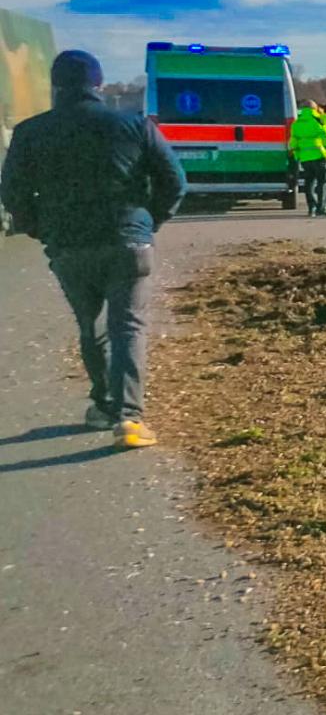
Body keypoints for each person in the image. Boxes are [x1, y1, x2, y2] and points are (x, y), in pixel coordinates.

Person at [0, 50, 186, 448]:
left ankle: (103, 405)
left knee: (92, 326)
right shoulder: (133, 125)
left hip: (68, 245)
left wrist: (40, 229)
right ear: (98, 84)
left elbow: (12, 193)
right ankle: (129, 418)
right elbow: (174, 181)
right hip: (127, 239)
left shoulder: (30, 132)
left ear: (55, 86)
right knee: (128, 327)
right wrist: (149, 220)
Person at [290, 102, 326, 215]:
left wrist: (297, 155)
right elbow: (325, 136)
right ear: (314, 108)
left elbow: (293, 142)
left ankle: (311, 207)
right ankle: (321, 207)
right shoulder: (318, 120)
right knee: (322, 182)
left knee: (309, 183)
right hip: (319, 155)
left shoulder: (296, 123)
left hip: (305, 158)